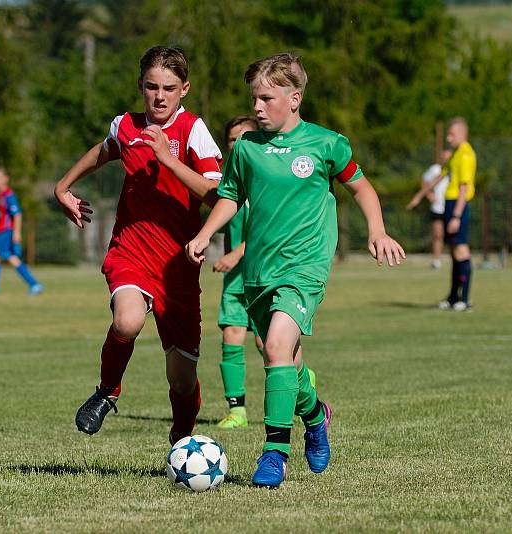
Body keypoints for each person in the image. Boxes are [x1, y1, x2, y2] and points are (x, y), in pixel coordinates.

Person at [186, 53, 405, 488]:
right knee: (285, 360)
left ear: (295, 97)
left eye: (267, 98)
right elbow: (229, 197)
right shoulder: (246, 150)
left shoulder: (327, 144)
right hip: (258, 273)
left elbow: (361, 187)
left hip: (304, 267)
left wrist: (377, 231)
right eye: (255, 98)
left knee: (275, 348)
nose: (258, 107)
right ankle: (315, 414)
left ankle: (275, 453)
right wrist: (206, 233)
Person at [53, 46, 223, 445]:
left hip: (177, 267)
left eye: (168, 87)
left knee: (181, 378)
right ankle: (108, 390)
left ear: (185, 89)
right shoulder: (126, 125)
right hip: (130, 251)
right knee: (127, 321)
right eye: (151, 87)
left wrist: (169, 159)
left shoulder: (193, 130)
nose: (159, 96)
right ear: (140, 86)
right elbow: (104, 150)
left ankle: (182, 436)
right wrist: (63, 187)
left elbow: (217, 196)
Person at [407, 118, 476, 311]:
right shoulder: (455, 155)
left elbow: (464, 187)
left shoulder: (466, 155)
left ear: (462, 134)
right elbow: (440, 176)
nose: (448, 138)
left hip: (458, 206)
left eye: (451, 134)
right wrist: (419, 196)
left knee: (462, 251)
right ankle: (454, 297)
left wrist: (456, 215)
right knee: (454, 252)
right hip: (450, 204)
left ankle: (465, 299)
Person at [0, 168, 44, 297]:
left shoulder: (8, 196)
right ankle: (34, 284)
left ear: (6, 179)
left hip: (6, 231)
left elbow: (17, 214)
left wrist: (16, 233)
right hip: (0, 232)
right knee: (12, 259)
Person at [408, 150, 451, 269]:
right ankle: (436, 260)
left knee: (451, 235)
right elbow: (425, 182)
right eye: (444, 157)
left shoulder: (454, 170)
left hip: (450, 206)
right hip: (438, 207)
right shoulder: (436, 169)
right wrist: (428, 195)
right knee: (438, 234)